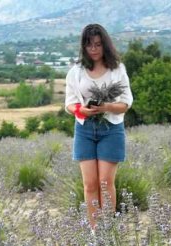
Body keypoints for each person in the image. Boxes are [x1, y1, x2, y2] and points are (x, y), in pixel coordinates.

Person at [64, 23, 133, 227]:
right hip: (84, 129)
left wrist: (106, 107)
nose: (93, 49)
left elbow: (126, 103)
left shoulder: (117, 69)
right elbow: (69, 103)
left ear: (105, 45)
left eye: (97, 44)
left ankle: (107, 228)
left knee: (105, 182)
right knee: (90, 183)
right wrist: (80, 110)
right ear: (83, 47)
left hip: (110, 129)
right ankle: (95, 231)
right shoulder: (76, 71)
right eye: (89, 45)